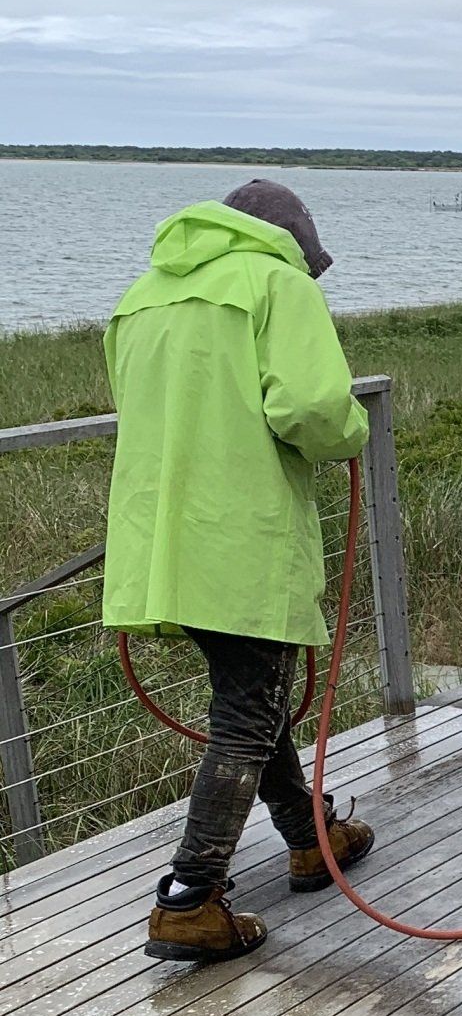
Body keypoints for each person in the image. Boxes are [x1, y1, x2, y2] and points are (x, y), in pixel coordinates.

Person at [103, 179, 376, 963]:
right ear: (293, 242)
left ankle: (310, 836)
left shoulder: (142, 296)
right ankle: (190, 896)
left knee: (248, 696)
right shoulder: (276, 284)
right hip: (240, 536)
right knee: (249, 713)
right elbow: (312, 410)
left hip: (162, 540)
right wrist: (350, 430)